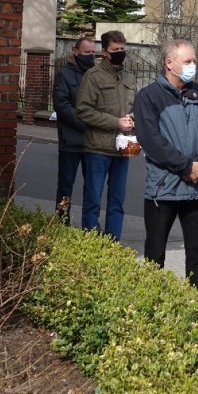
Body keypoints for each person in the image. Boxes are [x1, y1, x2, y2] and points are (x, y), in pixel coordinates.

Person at [134, 40, 198, 291]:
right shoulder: (148, 97)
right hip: (164, 188)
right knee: (156, 251)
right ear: (169, 64)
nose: (194, 66)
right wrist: (185, 167)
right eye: (188, 61)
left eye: (194, 61)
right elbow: (152, 141)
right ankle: (153, 303)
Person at [76, 30, 136, 241]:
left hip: (122, 148)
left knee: (117, 200)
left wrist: (132, 119)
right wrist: (115, 122)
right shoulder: (93, 76)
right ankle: (90, 243)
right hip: (97, 149)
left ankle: (113, 244)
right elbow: (83, 110)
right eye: (115, 50)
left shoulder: (129, 76)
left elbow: (132, 105)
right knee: (93, 199)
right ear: (105, 52)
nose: (120, 53)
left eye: (122, 49)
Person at [52, 36, 95, 224]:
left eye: (93, 52)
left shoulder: (95, 74)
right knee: (65, 187)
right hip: (71, 141)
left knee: (92, 187)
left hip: (92, 142)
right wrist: (86, 122)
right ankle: (62, 223)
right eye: (87, 52)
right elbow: (62, 106)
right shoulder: (64, 74)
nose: (91, 56)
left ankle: (90, 225)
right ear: (76, 52)